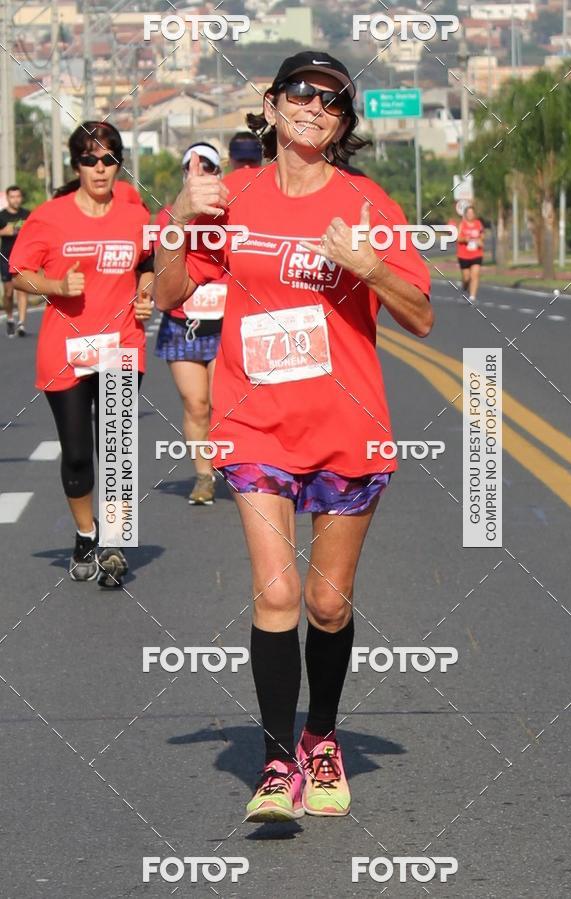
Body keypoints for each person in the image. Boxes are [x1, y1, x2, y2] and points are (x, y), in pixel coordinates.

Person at [154, 50, 432, 822]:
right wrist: (177, 222)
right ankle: (277, 764)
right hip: (257, 426)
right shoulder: (231, 196)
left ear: (344, 123)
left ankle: (322, 738)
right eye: (299, 94)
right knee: (276, 593)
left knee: (327, 604)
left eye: (332, 101)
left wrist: (368, 265)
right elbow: (173, 294)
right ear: (270, 105)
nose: (314, 108)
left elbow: (420, 313)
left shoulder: (367, 202)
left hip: (347, 426)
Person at [10, 121, 153, 588]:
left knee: (116, 451)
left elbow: (148, 264)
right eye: (89, 159)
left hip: (120, 345)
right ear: (76, 165)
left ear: (118, 165)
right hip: (65, 349)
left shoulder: (134, 215)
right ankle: (86, 534)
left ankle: (113, 546)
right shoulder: (49, 216)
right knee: (77, 455)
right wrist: (54, 285)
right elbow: (17, 275)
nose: (99, 168)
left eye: (108, 159)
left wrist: (147, 292)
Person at [154, 142, 228, 505]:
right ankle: (203, 475)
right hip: (182, 324)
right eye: (192, 167)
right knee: (196, 403)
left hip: (224, 323)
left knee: (221, 402)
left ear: (219, 173)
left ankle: (231, 463)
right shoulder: (167, 217)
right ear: (184, 173)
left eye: (209, 167)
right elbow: (149, 267)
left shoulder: (231, 214)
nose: (200, 173)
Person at [0, 185, 31, 337]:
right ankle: (11, 318)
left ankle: (22, 324)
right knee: (8, 292)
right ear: (8, 198)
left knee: (22, 289)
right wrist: (3, 232)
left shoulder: (27, 214)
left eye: (18, 196)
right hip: (6, 257)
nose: (16, 199)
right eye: (12, 197)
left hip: (23, 257)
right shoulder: (2, 216)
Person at [456, 205, 484, 303]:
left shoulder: (478, 224)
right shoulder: (462, 224)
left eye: (472, 213)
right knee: (466, 278)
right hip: (464, 255)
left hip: (476, 254)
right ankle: (464, 286)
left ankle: (472, 297)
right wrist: (465, 239)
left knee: (475, 275)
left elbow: (482, 236)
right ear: (465, 214)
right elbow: (458, 238)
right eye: (468, 213)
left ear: (474, 214)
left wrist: (480, 241)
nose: (470, 215)